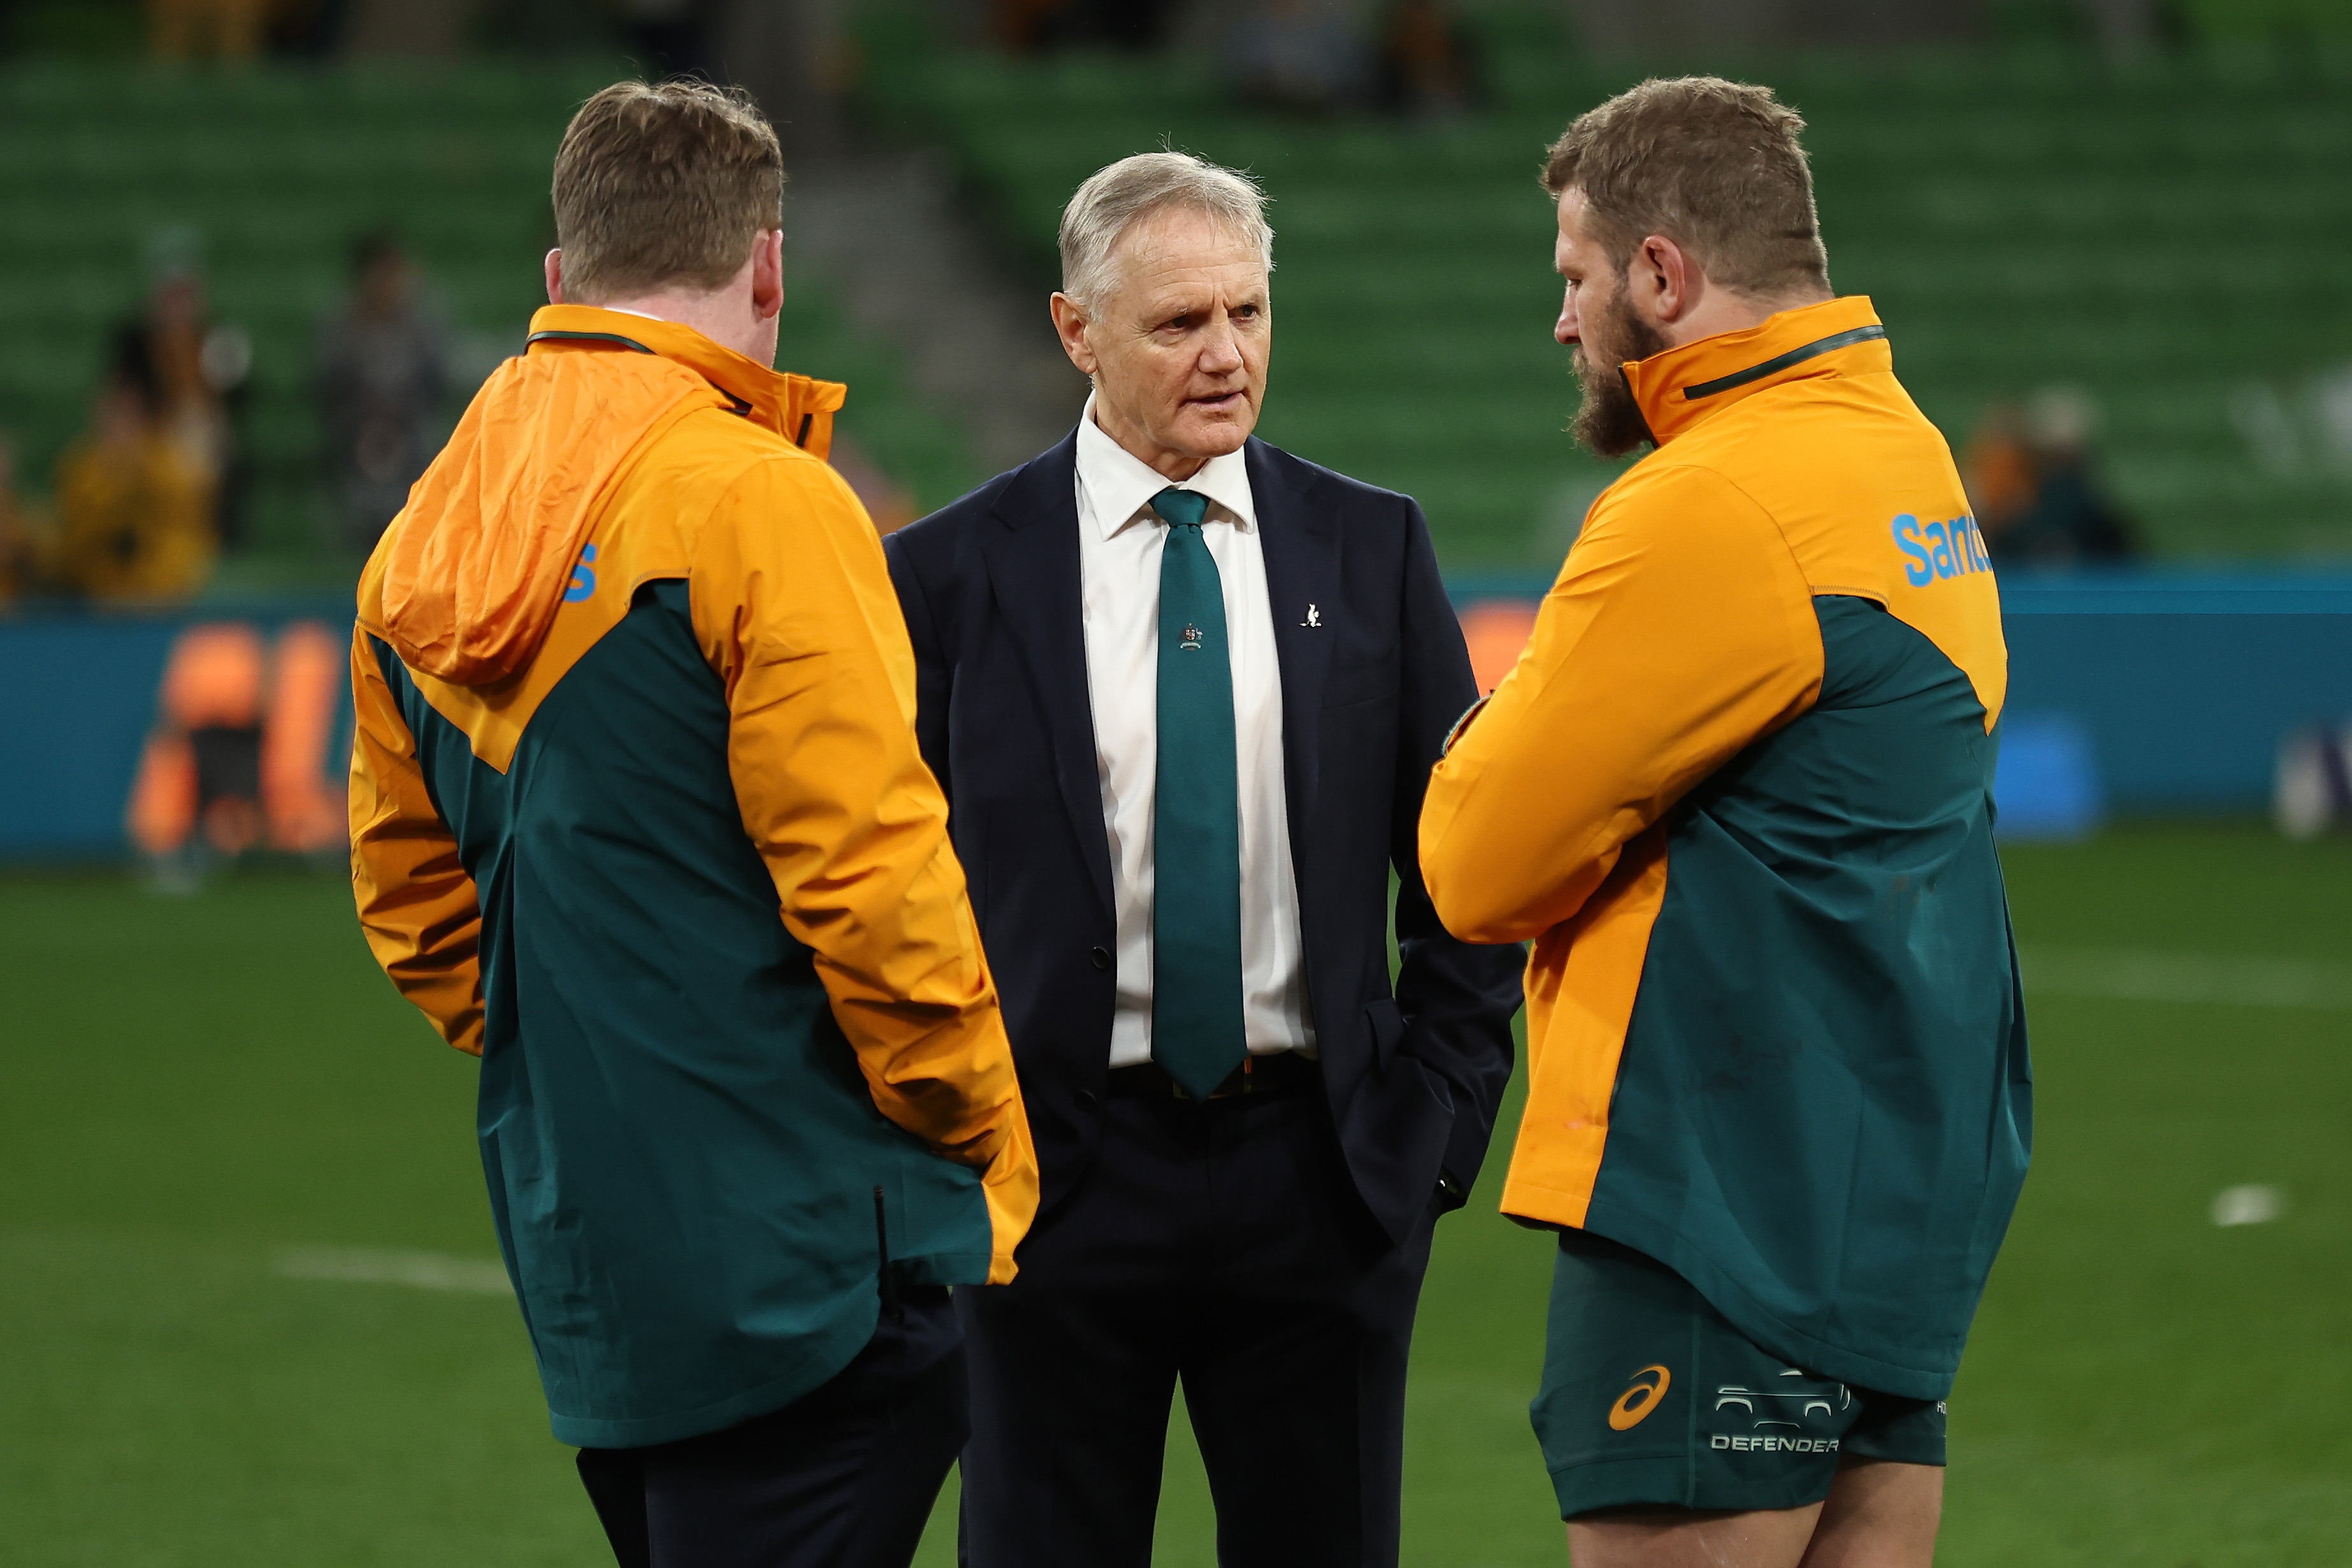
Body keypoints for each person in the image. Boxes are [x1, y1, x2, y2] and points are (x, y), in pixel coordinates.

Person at [347, 80, 1037, 1568]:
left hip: (598, 1256)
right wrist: (984, 1129)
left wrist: (603, 1062)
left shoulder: (416, 547)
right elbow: (870, 877)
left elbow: (414, 912)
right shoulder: (759, 502)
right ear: (767, 267)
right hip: (811, 1253)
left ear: (561, 276)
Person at [1417, 78, 2032, 1568]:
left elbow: (1474, 867)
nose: (1562, 322)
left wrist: (1480, 735)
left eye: (1575, 277)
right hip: (1889, 1186)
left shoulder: (1709, 500)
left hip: (1718, 1188)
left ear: (1660, 273)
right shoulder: (1902, 456)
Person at [884, 151, 1524, 1568]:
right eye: (1180, 322)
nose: (1227, 354)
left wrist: (1432, 1126)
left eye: (1248, 311)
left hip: (1322, 1174)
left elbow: (1468, 864)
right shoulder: (946, 576)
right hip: (1051, 1184)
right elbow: (883, 895)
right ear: (1076, 331)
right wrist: (949, 1136)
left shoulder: (1372, 546)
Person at [53, 327, 216, 601]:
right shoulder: (81, 467)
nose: (119, 423)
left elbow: (182, 530)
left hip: (160, 593)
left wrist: (134, 473)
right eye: (112, 412)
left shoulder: (167, 465)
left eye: (127, 413)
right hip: (96, 594)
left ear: (143, 416)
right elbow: (78, 537)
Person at [315, 228, 451, 554]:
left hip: (413, 449)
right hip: (354, 451)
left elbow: (438, 389)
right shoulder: (340, 334)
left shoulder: (423, 334)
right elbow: (329, 394)